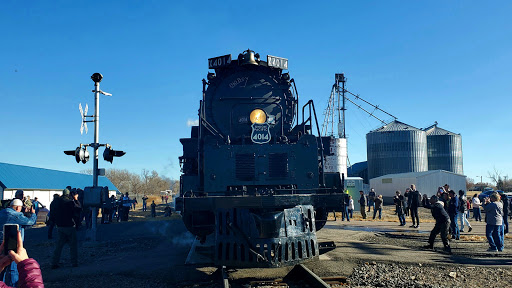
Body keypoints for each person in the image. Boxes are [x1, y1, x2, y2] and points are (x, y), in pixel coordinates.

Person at [0, 199, 37, 286]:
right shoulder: (16, 215)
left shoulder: (2, 212)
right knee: (13, 268)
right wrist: (33, 213)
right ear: (17, 207)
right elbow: (30, 222)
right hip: (12, 244)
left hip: (1, 244)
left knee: (1, 266)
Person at [52, 188, 80, 269]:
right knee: (73, 246)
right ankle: (74, 262)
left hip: (60, 225)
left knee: (59, 246)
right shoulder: (70, 202)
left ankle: (54, 262)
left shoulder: (57, 202)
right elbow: (78, 209)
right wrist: (76, 200)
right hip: (69, 225)